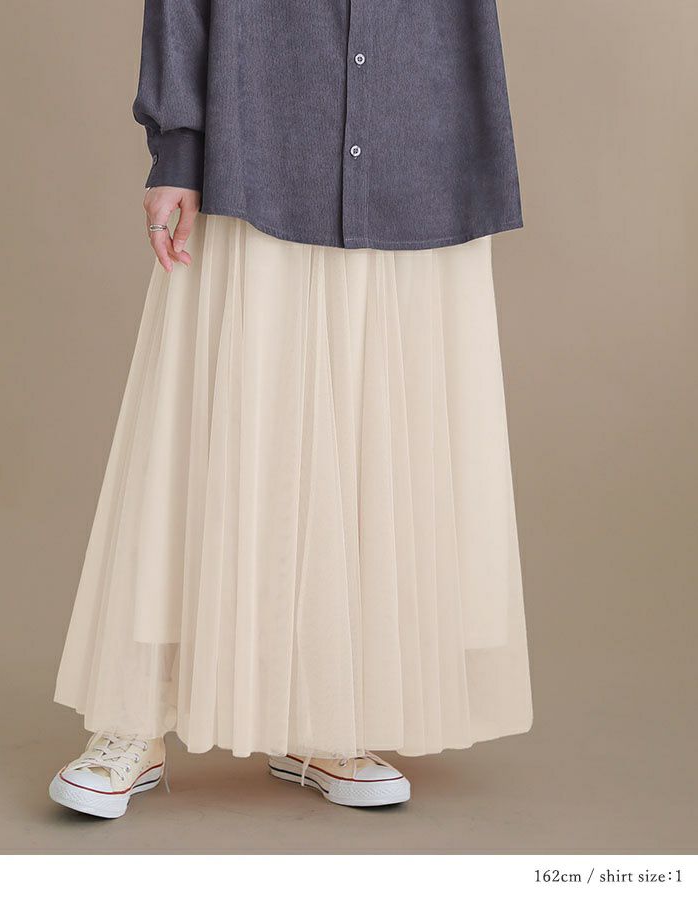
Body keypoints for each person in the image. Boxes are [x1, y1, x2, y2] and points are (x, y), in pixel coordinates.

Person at [49, 0, 533, 818]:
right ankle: (134, 718)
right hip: (260, 133)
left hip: (416, 138)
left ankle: (324, 716)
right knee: (208, 432)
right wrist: (178, 148)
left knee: (376, 446)